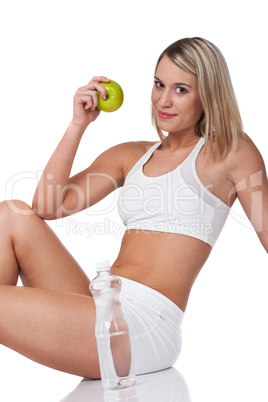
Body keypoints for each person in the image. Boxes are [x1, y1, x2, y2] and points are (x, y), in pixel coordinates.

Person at [0, 37, 267, 379]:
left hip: (144, 327)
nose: (163, 100)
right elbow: (47, 206)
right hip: (102, 302)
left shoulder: (230, 152)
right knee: (12, 213)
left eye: (181, 89)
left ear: (209, 95)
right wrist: (78, 124)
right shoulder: (131, 155)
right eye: (159, 84)